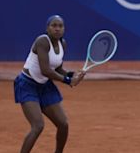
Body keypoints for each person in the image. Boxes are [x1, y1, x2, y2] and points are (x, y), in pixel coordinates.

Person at [14, 15, 86, 153]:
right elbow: (46, 70)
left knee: (63, 124)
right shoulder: (42, 41)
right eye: (54, 25)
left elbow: (57, 68)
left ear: (64, 28)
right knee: (38, 126)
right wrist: (69, 81)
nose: (57, 29)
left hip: (45, 87)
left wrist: (71, 74)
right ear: (47, 28)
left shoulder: (62, 43)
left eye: (60, 26)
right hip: (27, 85)